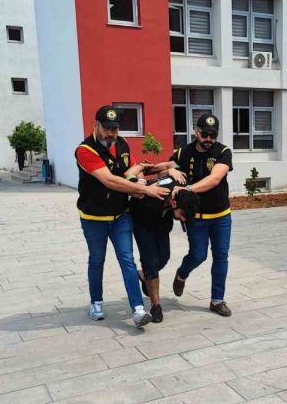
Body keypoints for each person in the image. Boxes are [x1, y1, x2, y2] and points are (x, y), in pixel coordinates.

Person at [75, 105, 169, 328]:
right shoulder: (85, 150)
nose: (110, 133)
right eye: (106, 128)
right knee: (97, 261)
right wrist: (145, 189)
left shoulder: (122, 144)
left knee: (127, 260)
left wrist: (142, 177)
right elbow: (109, 180)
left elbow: (131, 170)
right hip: (94, 218)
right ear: (96, 125)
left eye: (114, 129)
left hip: (120, 216)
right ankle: (96, 303)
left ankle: (138, 309)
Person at [171, 114, 234, 317]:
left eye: (213, 135)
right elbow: (168, 166)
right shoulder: (184, 152)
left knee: (221, 256)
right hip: (196, 217)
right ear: (196, 132)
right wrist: (171, 171)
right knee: (198, 255)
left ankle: (217, 300)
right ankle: (181, 274)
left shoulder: (223, 152)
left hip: (221, 215)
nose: (208, 139)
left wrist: (188, 189)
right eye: (205, 134)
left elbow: (214, 179)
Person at [131, 174, 199, 323]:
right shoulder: (152, 197)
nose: (183, 219)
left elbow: (175, 169)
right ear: (174, 204)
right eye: (182, 215)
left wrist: (170, 169)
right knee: (151, 263)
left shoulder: (180, 189)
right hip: (142, 224)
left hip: (162, 223)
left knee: (164, 257)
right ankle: (156, 306)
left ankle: (144, 275)